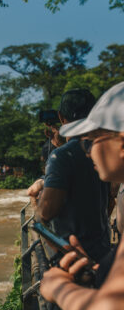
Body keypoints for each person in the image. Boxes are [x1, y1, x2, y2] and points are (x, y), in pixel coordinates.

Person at [40, 81, 124, 310]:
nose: (87, 153)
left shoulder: (62, 157)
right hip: (96, 250)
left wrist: (59, 289)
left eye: (90, 141)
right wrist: (97, 272)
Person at [34, 89, 111, 262]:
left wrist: (36, 201)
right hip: (103, 251)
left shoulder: (61, 156)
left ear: (61, 117)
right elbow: (110, 201)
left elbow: (45, 214)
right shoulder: (104, 150)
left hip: (75, 261)